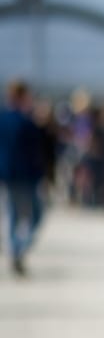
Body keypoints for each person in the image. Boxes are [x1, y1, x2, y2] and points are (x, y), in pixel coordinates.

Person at [0, 80, 46, 276]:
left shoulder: (4, 119)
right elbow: (37, 152)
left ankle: (15, 248)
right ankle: (17, 249)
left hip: (8, 174)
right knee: (34, 214)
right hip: (25, 176)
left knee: (13, 214)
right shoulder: (27, 122)